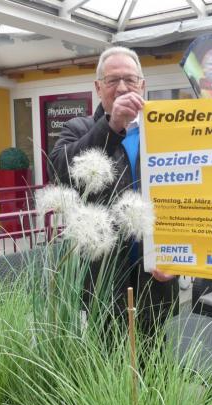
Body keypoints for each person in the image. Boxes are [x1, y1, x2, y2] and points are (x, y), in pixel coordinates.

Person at [49, 46, 178, 338]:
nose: (122, 87)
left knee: (153, 360)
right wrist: (113, 125)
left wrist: (177, 260)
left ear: (143, 85)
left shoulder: (165, 131)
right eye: (112, 80)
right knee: (105, 364)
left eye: (130, 79)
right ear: (98, 88)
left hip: (155, 276)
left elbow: (188, 191)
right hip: (103, 279)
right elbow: (59, 171)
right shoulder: (78, 128)